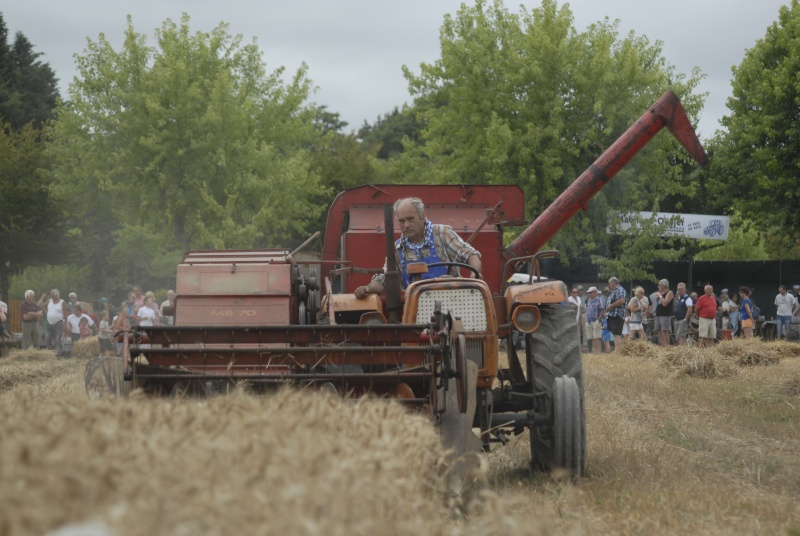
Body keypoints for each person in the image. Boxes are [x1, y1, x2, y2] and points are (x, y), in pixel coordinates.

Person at [354, 197, 481, 298]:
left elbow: (470, 255)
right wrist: (367, 288)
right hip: (414, 308)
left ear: (423, 215)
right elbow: (383, 279)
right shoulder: (397, 248)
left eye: (410, 219)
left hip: (450, 300)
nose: (406, 225)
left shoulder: (442, 234)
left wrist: (475, 274)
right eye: (401, 221)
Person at [603, 277, 627, 349]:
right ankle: (617, 350)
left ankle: (617, 351)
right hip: (612, 315)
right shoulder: (614, 291)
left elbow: (622, 300)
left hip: (617, 315)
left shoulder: (620, 289)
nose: (609, 285)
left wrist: (611, 306)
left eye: (609, 283)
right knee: (615, 334)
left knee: (617, 334)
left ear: (613, 283)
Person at [653, 279, 675, 346]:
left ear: (664, 285)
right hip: (658, 314)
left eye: (660, 284)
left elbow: (665, 303)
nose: (658, 286)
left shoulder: (669, 292)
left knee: (664, 331)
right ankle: (662, 345)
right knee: (658, 330)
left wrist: (660, 296)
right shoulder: (660, 293)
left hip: (665, 314)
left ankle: (667, 346)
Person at [585, 287, 603, 353]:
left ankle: (598, 352)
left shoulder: (599, 300)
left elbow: (602, 310)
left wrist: (598, 320)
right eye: (589, 292)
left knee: (597, 337)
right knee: (592, 337)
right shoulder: (589, 300)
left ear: (595, 292)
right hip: (589, 321)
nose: (590, 294)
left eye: (591, 292)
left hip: (596, 320)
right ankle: (595, 352)